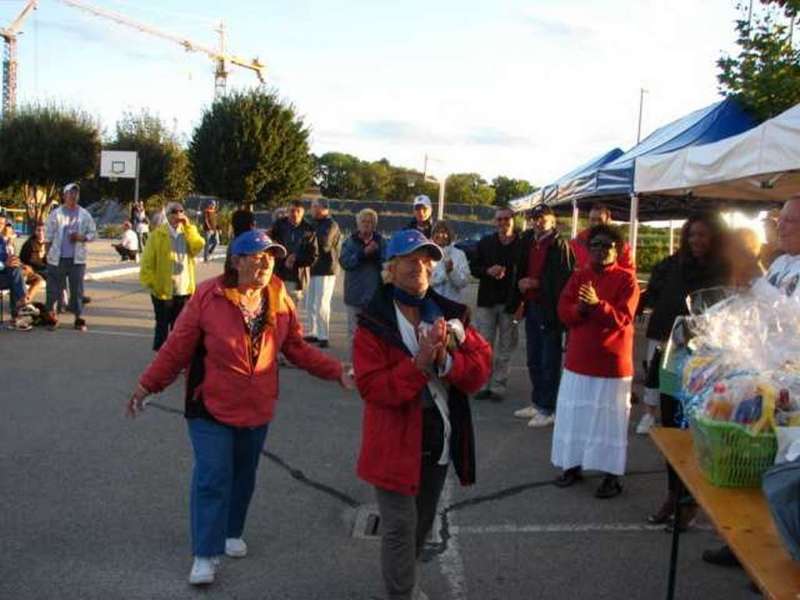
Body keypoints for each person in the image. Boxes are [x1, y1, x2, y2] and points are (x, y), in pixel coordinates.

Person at [127, 229, 353, 586]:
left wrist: (333, 370)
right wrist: (146, 385)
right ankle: (205, 553)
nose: (265, 263)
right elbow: (176, 348)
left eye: (271, 256)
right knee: (213, 475)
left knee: (243, 475)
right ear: (236, 261)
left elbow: (295, 347)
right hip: (210, 405)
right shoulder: (209, 295)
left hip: (257, 405)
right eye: (257, 256)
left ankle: (232, 529)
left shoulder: (278, 294)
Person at [353, 228, 491, 600]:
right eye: (410, 259)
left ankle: (406, 581)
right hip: (393, 441)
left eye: (426, 259)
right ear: (390, 268)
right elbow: (373, 387)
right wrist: (418, 364)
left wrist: (446, 360)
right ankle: (401, 592)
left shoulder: (451, 314)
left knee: (421, 525)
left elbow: (480, 371)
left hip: (438, 437)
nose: (420, 266)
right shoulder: (373, 321)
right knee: (400, 525)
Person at [703, 196, 800, 569]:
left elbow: (791, 318)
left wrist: (756, 280)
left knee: (781, 472)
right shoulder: (783, 263)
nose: (781, 227)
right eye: (781, 221)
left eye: (789, 222)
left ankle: (777, 554)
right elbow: (759, 309)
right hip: (763, 377)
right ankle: (741, 539)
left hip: (790, 388)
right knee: (750, 461)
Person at [643, 213, 730, 528]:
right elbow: (664, 307)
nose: (696, 241)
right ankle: (673, 492)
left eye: (703, 235)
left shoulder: (722, 270)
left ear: (715, 237)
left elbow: (722, 316)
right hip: (670, 357)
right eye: (692, 235)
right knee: (671, 429)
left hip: (703, 364)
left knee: (692, 432)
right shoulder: (678, 266)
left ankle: (688, 499)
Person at [551, 225, 640, 498]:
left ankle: (611, 476)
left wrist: (597, 304)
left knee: (609, 422)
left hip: (611, 365)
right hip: (579, 361)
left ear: (618, 250)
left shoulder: (627, 280)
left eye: (607, 246)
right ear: (588, 249)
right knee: (574, 417)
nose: (600, 250)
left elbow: (623, 318)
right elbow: (563, 311)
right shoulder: (579, 276)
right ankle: (572, 465)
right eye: (595, 245)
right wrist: (579, 308)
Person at [510, 205, 574, 426]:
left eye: (542, 218)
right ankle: (538, 402)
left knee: (549, 360)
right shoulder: (530, 241)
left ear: (552, 220)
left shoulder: (559, 245)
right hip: (532, 306)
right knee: (533, 358)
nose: (538, 222)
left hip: (550, 310)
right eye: (535, 218)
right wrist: (520, 283)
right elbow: (520, 268)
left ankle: (549, 408)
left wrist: (537, 283)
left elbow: (565, 279)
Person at [470, 206, 522, 402]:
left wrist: (521, 303)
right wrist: (487, 271)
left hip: (510, 302)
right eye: (499, 219)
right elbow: (474, 268)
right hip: (487, 301)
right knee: (484, 346)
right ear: (494, 222)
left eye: (506, 219)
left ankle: (499, 386)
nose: (503, 223)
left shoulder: (522, 244)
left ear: (513, 220)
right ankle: (483, 384)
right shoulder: (486, 243)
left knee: (505, 347)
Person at [139, 202, 205, 351]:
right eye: (174, 212)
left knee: (179, 327)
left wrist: (189, 227)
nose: (178, 215)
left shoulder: (187, 233)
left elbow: (198, 246)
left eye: (181, 212)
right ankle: (160, 360)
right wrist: (152, 283)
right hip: (162, 291)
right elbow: (147, 262)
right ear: (168, 215)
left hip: (183, 290)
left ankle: (175, 359)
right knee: (162, 326)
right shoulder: (158, 235)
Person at [44, 182, 98, 332]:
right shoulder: (56, 214)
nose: (73, 196)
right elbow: (48, 237)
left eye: (76, 194)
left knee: (77, 290)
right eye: (70, 193)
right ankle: (52, 316)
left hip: (77, 260)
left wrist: (82, 237)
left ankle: (78, 318)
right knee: (54, 289)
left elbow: (94, 233)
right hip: (58, 258)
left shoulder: (84, 214)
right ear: (64, 195)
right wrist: (48, 255)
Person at [339, 208, 385, 353]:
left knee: (373, 335)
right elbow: (344, 262)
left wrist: (376, 254)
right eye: (363, 221)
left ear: (374, 225)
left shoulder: (381, 242)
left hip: (374, 296)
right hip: (354, 294)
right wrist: (363, 254)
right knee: (354, 333)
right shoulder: (350, 242)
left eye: (370, 222)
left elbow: (388, 263)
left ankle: (371, 367)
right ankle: (355, 366)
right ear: (358, 224)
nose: (366, 224)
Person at [305, 198, 341, 348]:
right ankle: (313, 332)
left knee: (322, 303)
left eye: (314, 206)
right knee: (310, 303)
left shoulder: (331, 224)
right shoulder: (314, 223)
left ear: (324, 209)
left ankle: (323, 335)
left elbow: (325, 244)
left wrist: (309, 238)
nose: (311, 209)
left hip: (326, 269)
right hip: (313, 268)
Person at [269, 199, 318, 305]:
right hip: (277, 274)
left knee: (289, 310)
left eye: (298, 211)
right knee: (274, 307)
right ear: (287, 211)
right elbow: (270, 246)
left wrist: (296, 258)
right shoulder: (279, 225)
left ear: (303, 212)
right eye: (292, 211)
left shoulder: (309, 230)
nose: (294, 214)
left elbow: (313, 255)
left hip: (296, 277)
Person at [0, 216, 39, 330]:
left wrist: (20, 264)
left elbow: (8, 259)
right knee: (16, 277)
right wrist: (4, 264)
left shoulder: (2, 240)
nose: (1, 226)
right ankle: (21, 308)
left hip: (4, 275)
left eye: (2, 223)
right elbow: (4, 263)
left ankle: (18, 316)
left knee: (17, 272)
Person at [570, 203, 635, 271]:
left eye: (599, 220)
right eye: (592, 220)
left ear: (608, 220)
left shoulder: (620, 245)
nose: (596, 223)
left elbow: (628, 270)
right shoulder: (577, 243)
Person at [430, 221, 471, 303]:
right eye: (437, 232)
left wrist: (452, 272)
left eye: (444, 232)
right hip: (431, 304)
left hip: (453, 303)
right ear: (432, 235)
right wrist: (445, 274)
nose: (441, 235)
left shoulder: (459, 254)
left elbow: (463, 283)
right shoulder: (427, 254)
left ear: (450, 235)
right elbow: (426, 282)